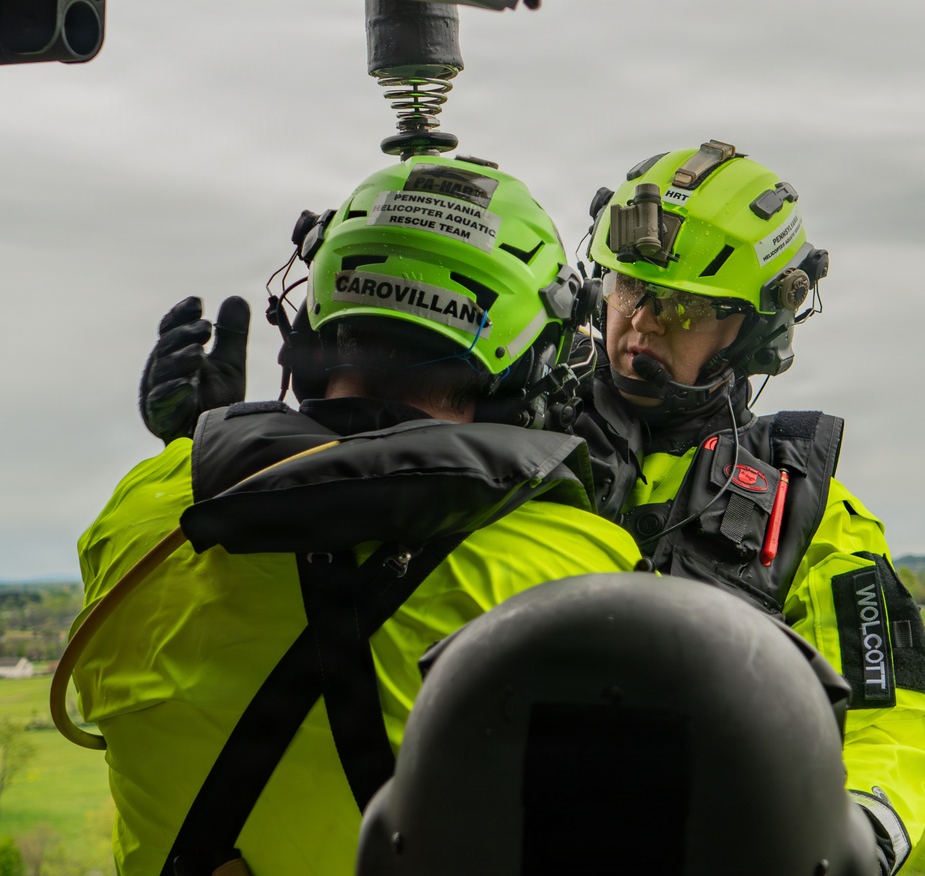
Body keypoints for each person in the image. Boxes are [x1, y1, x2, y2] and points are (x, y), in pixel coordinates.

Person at [71, 155, 643, 876]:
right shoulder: (583, 573)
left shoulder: (140, 513)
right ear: (531, 362)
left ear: (314, 323)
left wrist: (197, 444)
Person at [580, 139, 925, 875]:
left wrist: (859, 835)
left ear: (755, 328)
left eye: (682, 306)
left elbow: (893, 714)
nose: (643, 324)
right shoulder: (510, 446)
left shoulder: (810, 510)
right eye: (629, 288)